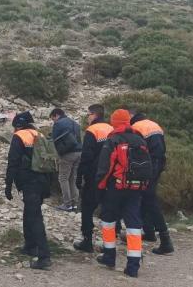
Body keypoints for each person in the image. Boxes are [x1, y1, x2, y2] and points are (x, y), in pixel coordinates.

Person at [95, 109, 149, 277]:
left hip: (116, 187)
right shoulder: (140, 140)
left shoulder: (113, 140)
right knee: (133, 224)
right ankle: (133, 265)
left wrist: (100, 186)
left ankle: (109, 256)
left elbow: (105, 167)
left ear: (114, 122)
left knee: (108, 220)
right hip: (136, 188)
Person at [4, 111, 53, 270]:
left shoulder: (19, 137)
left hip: (29, 182)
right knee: (30, 211)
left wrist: (8, 185)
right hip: (43, 181)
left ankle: (44, 256)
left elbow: (13, 161)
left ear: (18, 125)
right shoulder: (39, 135)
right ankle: (29, 245)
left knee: (35, 216)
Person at [130, 111, 173, 254]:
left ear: (131, 117)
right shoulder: (154, 124)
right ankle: (148, 232)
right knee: (146, 197)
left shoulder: (136, 127)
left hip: (148, 165)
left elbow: (137, 151)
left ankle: (165, 240)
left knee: (149, 199)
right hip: (159, 163)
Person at [73, 104, 114, 252]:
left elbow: (86, 156)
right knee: (108, 208)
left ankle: (87, 240)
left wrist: (79, 176)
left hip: (94, 176)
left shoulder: (92, 130)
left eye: (89, 114)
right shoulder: (111, 129)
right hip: (111, 176)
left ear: (95, 115)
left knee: (87, 208)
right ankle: (109, 242)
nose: (88, 117)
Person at [49, 108, 83, 212]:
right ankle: (75, 204)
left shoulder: (58, 124)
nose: (53, 121)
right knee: (73, 178)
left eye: (52, 119)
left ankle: (67, 204)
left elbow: (55, 140)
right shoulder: (75, 124)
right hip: (79, 153)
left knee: (63, 178)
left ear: (56, 115)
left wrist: (59, 153)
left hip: (67, 154)